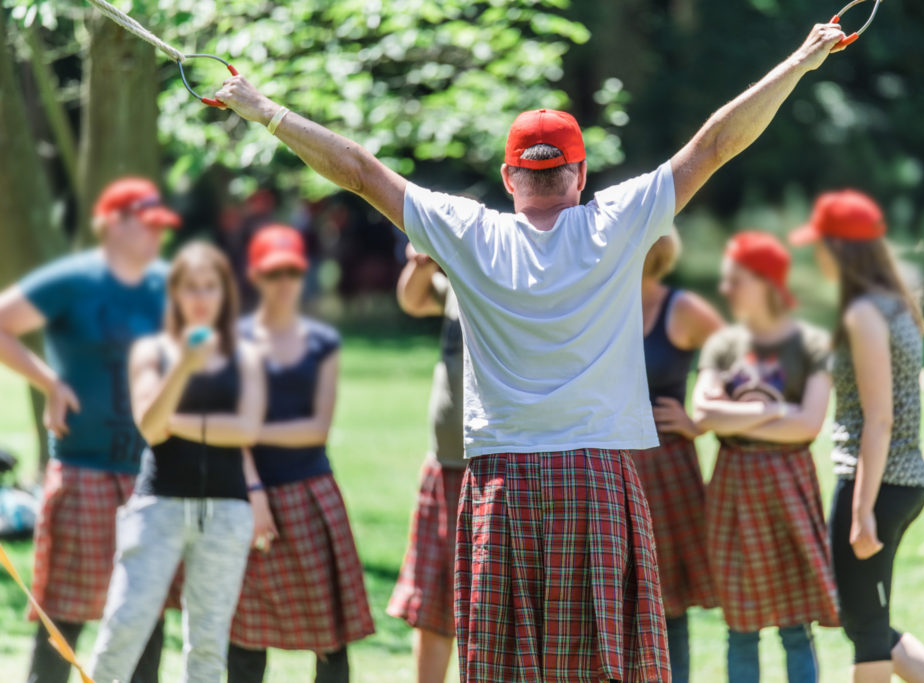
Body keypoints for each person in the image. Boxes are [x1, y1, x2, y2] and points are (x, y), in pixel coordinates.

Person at [213, 23, 848, 680]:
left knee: (508, 668)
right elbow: (717, 142)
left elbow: (359, 170)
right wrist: (799, 61)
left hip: (501, 480)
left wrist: (265, 111)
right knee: (607, 667)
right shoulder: (619, 218)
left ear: (510, 175)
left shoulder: (468, 231)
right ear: (578, 172)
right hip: (597, 475)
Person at [0, 177, 177, 683]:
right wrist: (49, 381)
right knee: (65, 610)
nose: (153, 238)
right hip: (83, 467)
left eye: (158, 228)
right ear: (110, 225)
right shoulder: (73, 281)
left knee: (147, 610)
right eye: (143, 226)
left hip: (153, 474)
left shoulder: (168, 283)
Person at [789, 191, 924, 683]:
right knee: (866, 620)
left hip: (877, 483)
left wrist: (861, 512)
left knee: (865, 626)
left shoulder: (863, 312)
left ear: (839, 249)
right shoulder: (895, 302)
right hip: (899, 479)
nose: (813, 253)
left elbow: (879, 418)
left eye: (819, 243)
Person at [89, 242, 265, 683]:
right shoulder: (151, 351)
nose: (202, 298)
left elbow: (245, 431)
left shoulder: (246, 355)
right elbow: (149, 427)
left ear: (225, 294)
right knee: (123, 626)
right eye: (192, 288)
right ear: (175, 295)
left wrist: (175, 421)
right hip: (158, 505)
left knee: (207, 644)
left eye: (211, 287)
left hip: (226, 509)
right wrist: (185, 365)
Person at [227, 225, 375, 683]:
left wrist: (248, 429)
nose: (284, 282)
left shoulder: (321, 341)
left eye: (292, 271)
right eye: (274, 273)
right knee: (244, 639)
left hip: (311, 492)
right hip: (245, 495)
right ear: (256, 276)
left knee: (331, 639)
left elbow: (317, 429)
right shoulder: (232, 340)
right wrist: (253, 492)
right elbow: (225, 434)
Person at [692, 232, 838, 682]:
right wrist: (772, 408)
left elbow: (809, 424)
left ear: (766, 282)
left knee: (796, 625)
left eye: (736, 280)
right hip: (734, 484)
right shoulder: (724, 345)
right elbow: (703, 412)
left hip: (788, 484)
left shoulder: (812, 345)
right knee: (740, 625)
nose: (726, 290)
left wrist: (736, 417)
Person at [636, 230, 724, 682]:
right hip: (609, 463)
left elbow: (740, 352)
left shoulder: (682, 308)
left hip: (666, 468)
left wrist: (700, 420)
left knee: (667, 601)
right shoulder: (598, 303)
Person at [386, 243, 467, 683]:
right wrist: (421, 263)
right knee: (435, 604)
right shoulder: (454, 281)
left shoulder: (505, 279)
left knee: (495, 603)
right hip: (445, 465)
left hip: (496, 467)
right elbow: (412, 300)